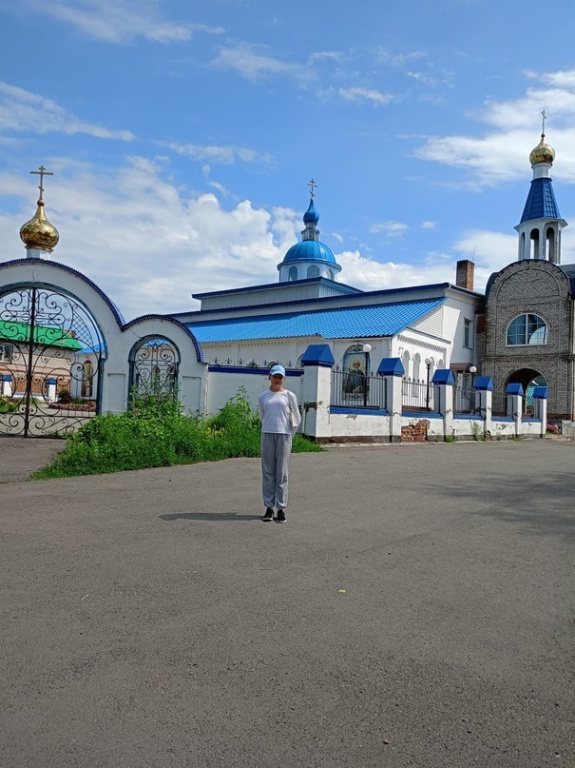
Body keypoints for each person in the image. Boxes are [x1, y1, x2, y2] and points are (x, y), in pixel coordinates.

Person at [258, 364, 301, 523]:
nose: (277, 379)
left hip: (284, 435)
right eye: (274, 376)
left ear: (283, 379)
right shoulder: (263, 396)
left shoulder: (290, 396)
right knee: (268, 471)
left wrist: (290, 434)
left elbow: (296, 417)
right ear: (269, 377)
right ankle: (269, 508)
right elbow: (263, 415)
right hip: (267, 434)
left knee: (282, 472)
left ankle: (281, 508)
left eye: (280, 377)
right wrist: (269, 427)